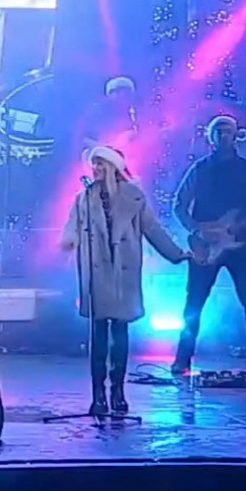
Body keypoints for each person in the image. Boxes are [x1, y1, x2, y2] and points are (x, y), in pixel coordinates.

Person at [60, 146, 191, 416]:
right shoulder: (84, 198)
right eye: (94, 164)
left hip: (123, 272)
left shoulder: (134, 196)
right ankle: (98, 393)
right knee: (98, 333)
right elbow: (72, 226)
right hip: (96, 272)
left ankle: (117, 390)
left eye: (101, 164)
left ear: (113, 167)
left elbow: (152, 228)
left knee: (120, 332)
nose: (95, 169)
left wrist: (176, 254)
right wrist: (69, 241)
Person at [171, 115, 246, 376]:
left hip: (240, 245)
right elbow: (179, 205)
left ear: (236, 136)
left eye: (227, 131)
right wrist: (197, 229)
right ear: (210, 137)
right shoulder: (199, 169)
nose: (222, 136)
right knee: (194, 303)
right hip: (205, 246)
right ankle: (182, 360)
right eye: (218, 132)